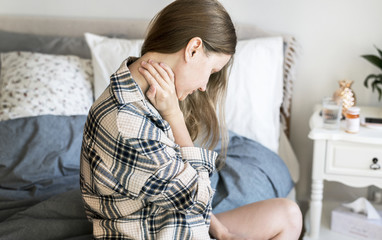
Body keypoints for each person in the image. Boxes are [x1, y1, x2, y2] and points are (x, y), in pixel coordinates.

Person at [80, 0, 302, 239]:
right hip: (154, 232)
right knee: (286, 219)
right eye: (212, 71)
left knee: (288, 214)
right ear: (193, 48)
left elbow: (189, 194)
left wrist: (221, 231)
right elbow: (199, 196)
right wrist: (174, 116)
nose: (204, 86)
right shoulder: (129, 122)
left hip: (168, 221)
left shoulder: (133, 84)